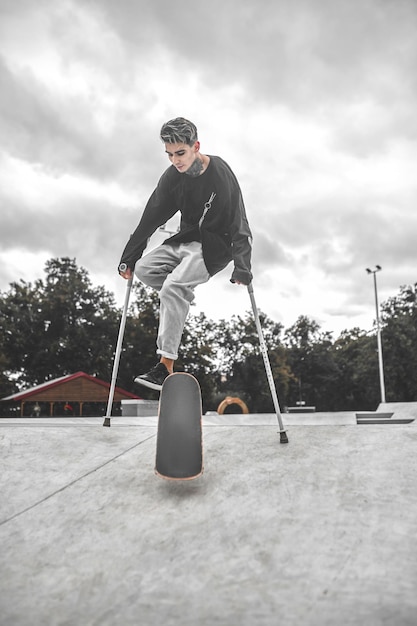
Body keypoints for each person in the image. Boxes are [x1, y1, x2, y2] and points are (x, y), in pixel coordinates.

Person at [118, 117, 253, 390]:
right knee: (145, 269)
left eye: (180, 153)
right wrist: (129, 256)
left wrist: (242, 264)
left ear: (196, 146)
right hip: (185, 240)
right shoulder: (172, 178)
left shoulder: (220, 173)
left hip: (215, 246)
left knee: (172, 288)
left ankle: (164, 366)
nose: (175, 161)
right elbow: (151, 216)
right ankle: (179, 298)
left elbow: (239, 220)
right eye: (169, 155)